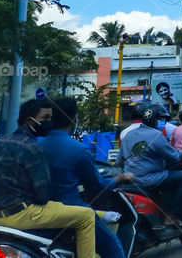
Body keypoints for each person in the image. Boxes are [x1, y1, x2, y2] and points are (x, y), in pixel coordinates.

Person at [0, 98, 98, 258]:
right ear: (29, 120)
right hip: (21, 216)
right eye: (46, 118)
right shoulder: (32, 148)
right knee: (86, 216)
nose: (50, 122)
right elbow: (42, 196)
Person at [39, 97, 129, 258]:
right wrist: (118, 179)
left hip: (39, 212)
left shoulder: (36, 147)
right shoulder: (79, 150)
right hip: (72, 210)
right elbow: (97, 187)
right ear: (74, 120)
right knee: (114, 248)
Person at [119, 103, 182, 226]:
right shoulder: (156, 135)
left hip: (131, 179)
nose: (163, 122)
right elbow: (174, 157)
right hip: (149, 179)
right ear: (154, 120)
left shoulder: (129, 134)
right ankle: (172, 217)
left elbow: (119, 161)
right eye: (161, 119)